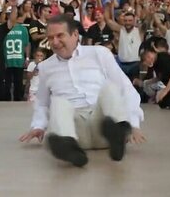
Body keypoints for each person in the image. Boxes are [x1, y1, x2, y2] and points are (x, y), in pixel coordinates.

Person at [19, 14, 145, 167]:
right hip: (75, 133)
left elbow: (126, 88)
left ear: (75, 34)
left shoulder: (99, 53)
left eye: (60, 36)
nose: (55, 42)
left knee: (110, 88)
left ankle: (119, 131)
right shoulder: (45, 67)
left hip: (103, 127)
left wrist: (133, 123)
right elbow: (42, 103)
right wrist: (38, 126)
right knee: (58, 101)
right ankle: (68, 148)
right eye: (51, 38)